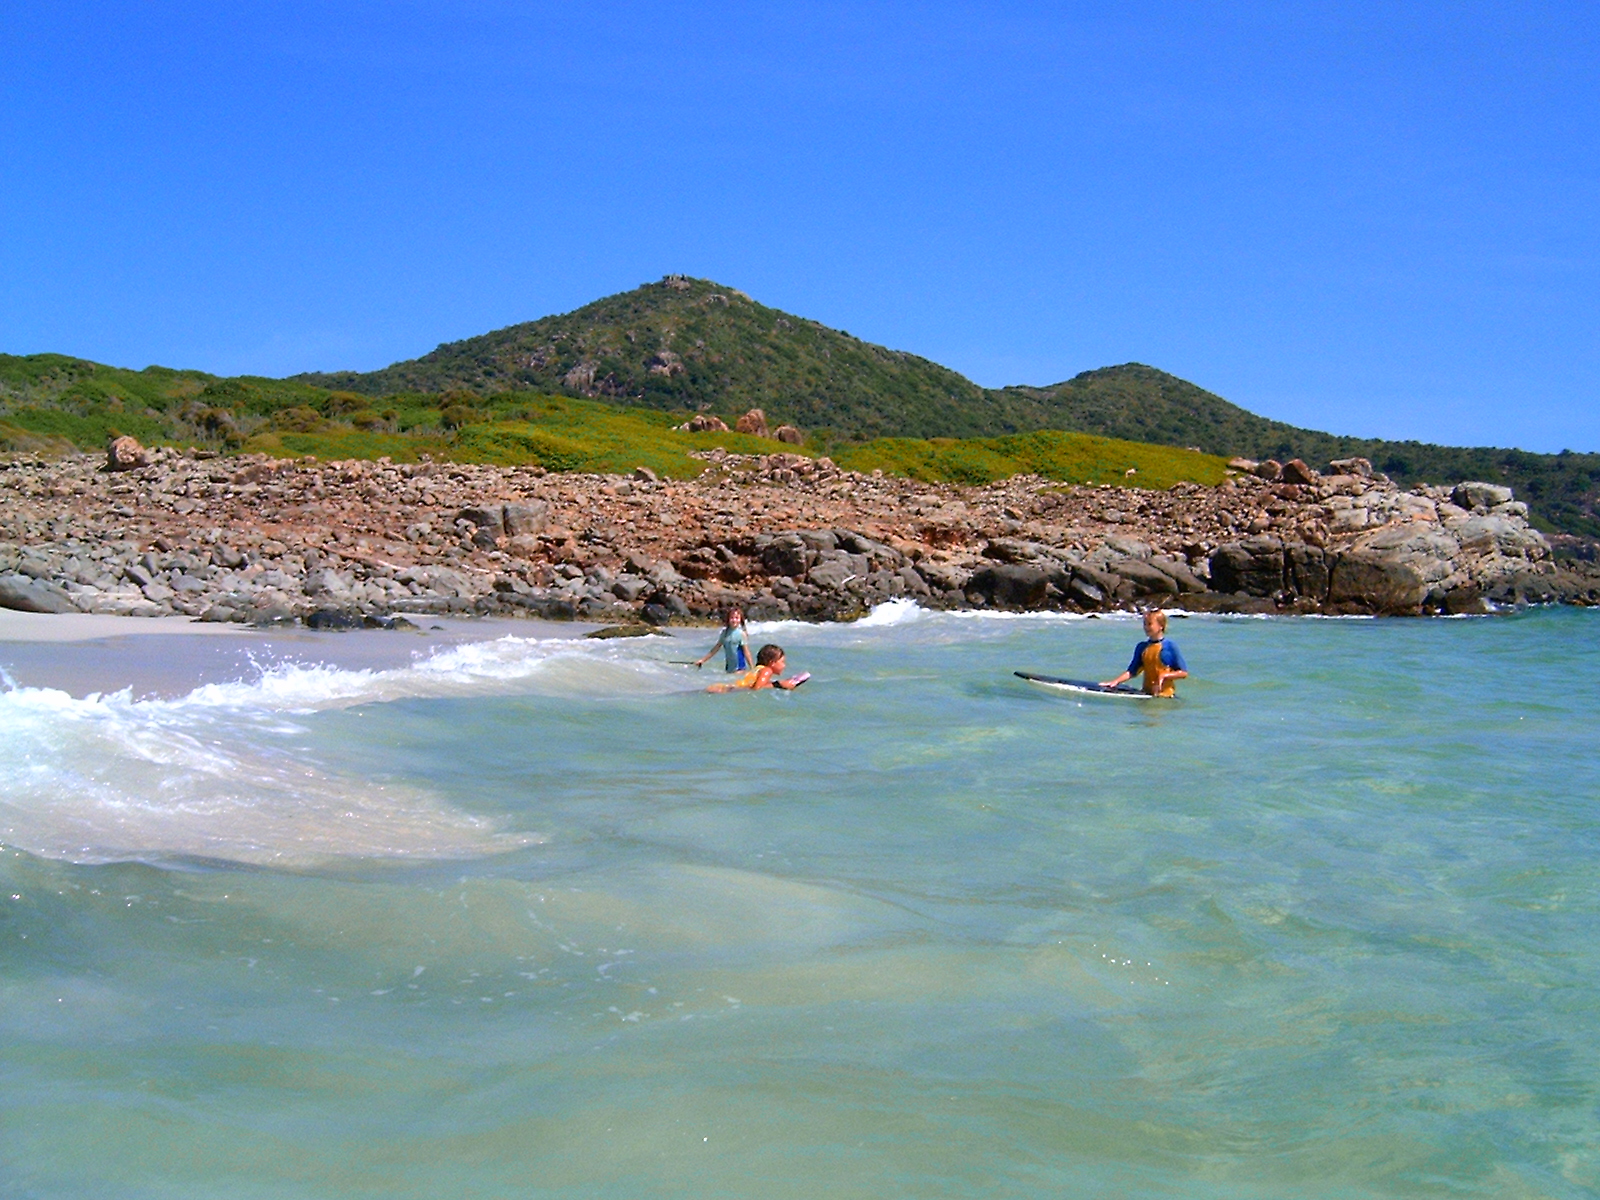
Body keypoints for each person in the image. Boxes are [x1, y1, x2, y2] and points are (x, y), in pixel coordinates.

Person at [1101, 609, 1188, 698]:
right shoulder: (1142, 647)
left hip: (1166, 697)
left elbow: (1183, 673)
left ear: (1161, 626)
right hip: (1146, 695)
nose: (1146, 627)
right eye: (1144, 624)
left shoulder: (1169, 647)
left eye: (1150, 624)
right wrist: (1115, 682)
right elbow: (1132, 672)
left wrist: (1164, 676)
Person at [706, 644, 807, 692]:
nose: (784, 665)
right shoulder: (767, 671)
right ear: (772, 663)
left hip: (725, 687)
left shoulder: (759, 668)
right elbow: (757, 688)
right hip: (729, 690)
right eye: (782, 662)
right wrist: (778, 685)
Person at [694, 607, 752, 672]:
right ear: (728, 619)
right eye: (732, 618)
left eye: (737, 618)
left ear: (740, 620)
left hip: (740, 669)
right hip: (729, 669)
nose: (734, 620)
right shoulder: (724, 633)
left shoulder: (741, 634)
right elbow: (715, 649)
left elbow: (746, 652)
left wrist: (752, 668)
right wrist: (702, 660)